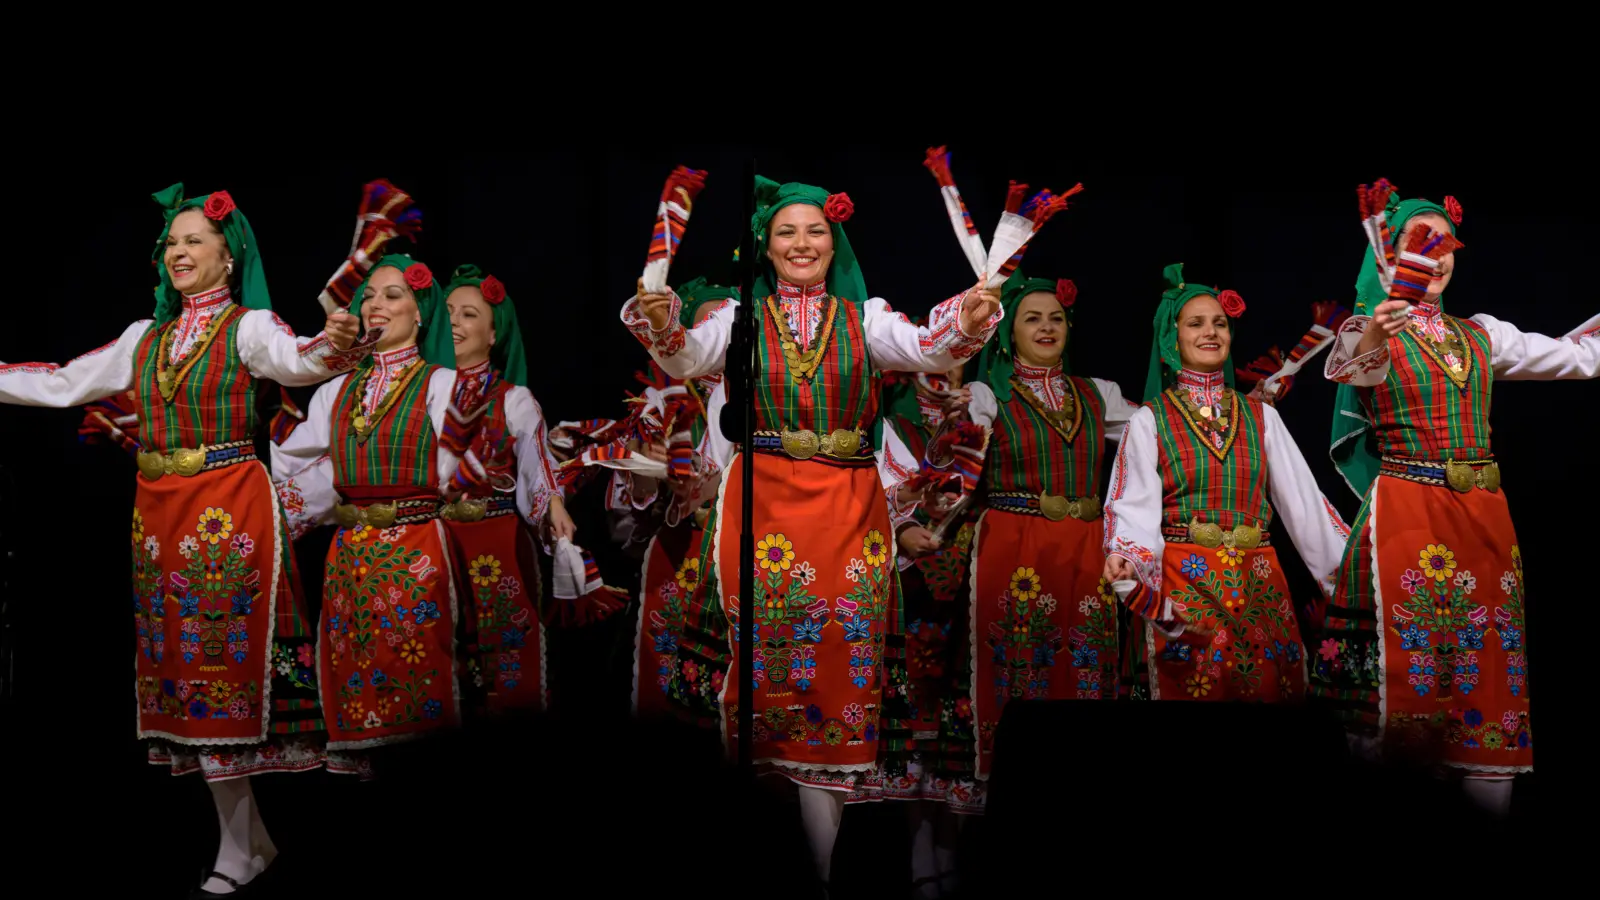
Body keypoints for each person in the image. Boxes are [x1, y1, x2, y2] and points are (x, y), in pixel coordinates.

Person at [621, 176, 1003, 889]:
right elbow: (684, 357)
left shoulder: (866, 319)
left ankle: (820, 872)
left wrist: (972, 312)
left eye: (815, 231)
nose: (802, 244)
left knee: (837, 676)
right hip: (763, 508)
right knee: (765, 676)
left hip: (848, 513)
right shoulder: (738, 319)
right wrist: (659, 315)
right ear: (766, 248)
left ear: (835, 242)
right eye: (787, 233)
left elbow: (928, 346)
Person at [0, 184, 367, 896]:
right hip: (161, 521)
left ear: (229, 259)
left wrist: (334, 341)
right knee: (183, 680)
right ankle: (250, 843)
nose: (179, 251)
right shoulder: (146, 337)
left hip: (227, 513)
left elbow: (299, 361)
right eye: (172, 241)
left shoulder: (248, 326)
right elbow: (65, 382)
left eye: (196, 239)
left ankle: (239, 850)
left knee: (217, 673)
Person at [1314, 183, 1598, 814]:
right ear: (1388, 256)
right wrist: (1377, 325)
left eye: (1445, 245)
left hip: (1485, 527)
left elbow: (1578, 356)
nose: (1437, 257)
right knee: (1407, 679)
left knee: (1491, 679)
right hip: (1409, 522)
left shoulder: (1480, 335)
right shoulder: (1370, 331)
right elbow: (1353, 367)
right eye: (1422, 243)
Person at [1101, 264, 1351, 704]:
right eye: (1195, 323)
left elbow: (1305, 506)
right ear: (1172, 338)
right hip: (1185, 585)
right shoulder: (1150, 420)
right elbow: (1133, 505)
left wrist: (1353, 575)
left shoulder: (1261, 417)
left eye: (1219, 323)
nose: (1210, 332)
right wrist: (1128, 556)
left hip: (1259, 587)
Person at [271, 253, 462, 753]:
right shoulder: (335, 391)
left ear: (420, 313)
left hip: (417, 553)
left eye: (392, 295)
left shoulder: (441, 384)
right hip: (350, 560)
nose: (376, 305)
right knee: (355, 688)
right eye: (369, 297)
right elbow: (289, 465)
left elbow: (460, 470)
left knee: (415, 682)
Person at [437, 265, 574, 716]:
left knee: (504, 670)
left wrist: (552, 503)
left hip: (495, 546)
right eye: (447, 311)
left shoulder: (513, 399)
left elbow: (537, 460)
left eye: (469, 314)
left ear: (494, 334)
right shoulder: (417, 395)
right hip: (432, 544)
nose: (454, 322)